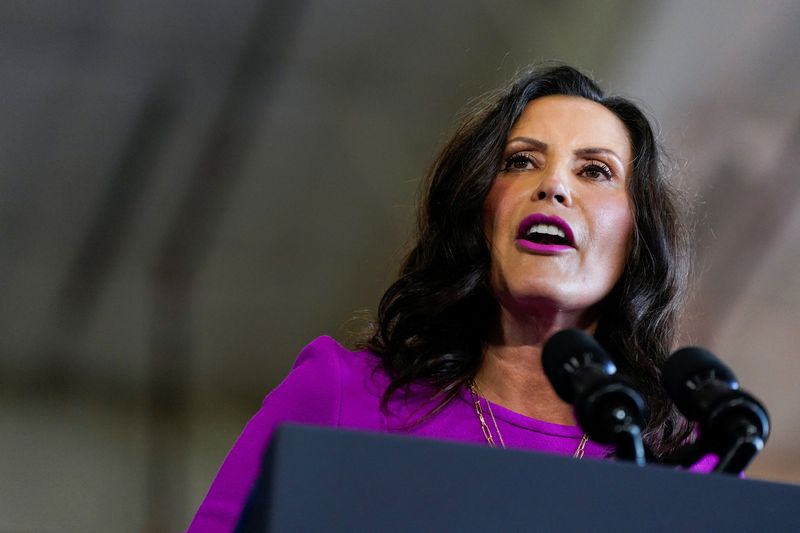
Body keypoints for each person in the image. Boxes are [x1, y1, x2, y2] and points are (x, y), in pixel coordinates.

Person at [187, 64, 710, 532]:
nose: (553, 185)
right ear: (478, 211)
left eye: (595, 171)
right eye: (520, 162)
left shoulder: (688, 460)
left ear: (637, 235)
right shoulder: (340, 394)